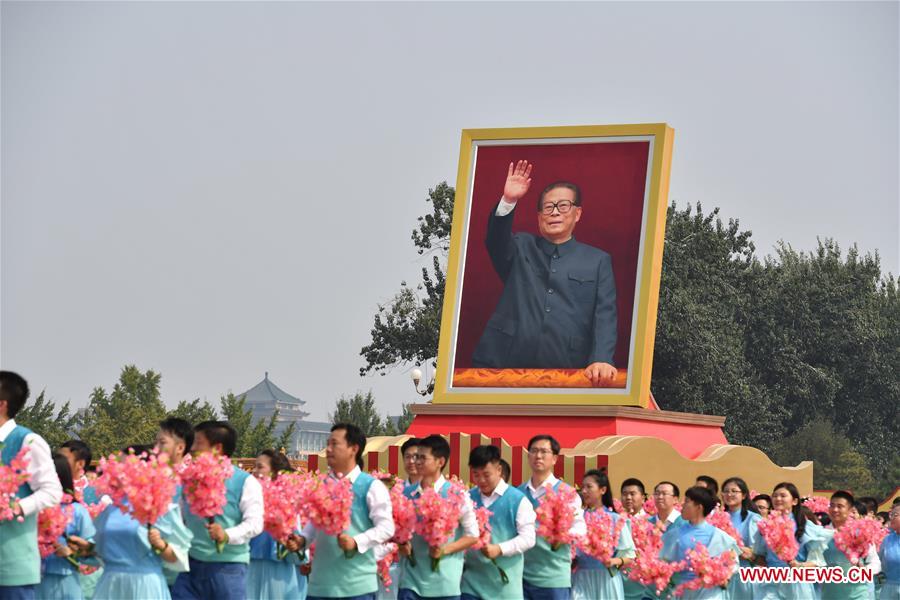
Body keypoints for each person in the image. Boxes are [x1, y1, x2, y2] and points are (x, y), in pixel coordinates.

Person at [471, 160, 618, 386]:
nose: (555, 212)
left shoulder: (597, 261)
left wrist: (602, 358)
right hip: (502, 364)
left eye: (563, 206)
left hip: (569, 369)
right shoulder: (521, 246)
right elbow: (495, 240)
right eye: (548, 207)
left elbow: (605, 315)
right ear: (539, 217)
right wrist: (509, 200)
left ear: (578, 213)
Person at [297, 423, 395, 600]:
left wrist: (356, 542)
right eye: (328, 444)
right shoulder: (321, 486)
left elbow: (386, 528)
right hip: (319, 587)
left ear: (353, 449)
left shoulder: (371, 486)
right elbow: (313, 525)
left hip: (356, 588)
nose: (328, 449)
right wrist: (302, 540)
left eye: (334, 444)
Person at [172, 421, 264, 600]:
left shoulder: (244, 482)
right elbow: (181, 518)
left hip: (227, 569)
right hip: (190, 567)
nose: (192, 449)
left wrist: (226, 535)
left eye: (198, 443)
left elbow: (255, 523)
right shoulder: (190, 479)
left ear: (217, 448)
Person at [91, 444, 192, 600]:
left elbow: (177, 556)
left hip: (145, 586)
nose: (119, 471)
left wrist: (161, 545)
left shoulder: (160, 508)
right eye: (118, 466)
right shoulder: (110, 510)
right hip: (111, 585)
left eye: (125, 466)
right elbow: (96, 550)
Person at [0, 371, 64, 600]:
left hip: (10, 567)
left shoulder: (27, 441)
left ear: (2, 405)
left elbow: (52, 491)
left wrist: (15, 508)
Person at [397, 435, 478, 600]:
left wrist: (445, 550)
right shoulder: (405, 494)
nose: (417, 462)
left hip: (445, 586)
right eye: (416, 457)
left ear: (440, 462)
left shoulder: (457, 495)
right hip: (410, 584)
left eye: (423, 458)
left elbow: (472, 535)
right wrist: (400, 545)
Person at [462, 445, 536, 600]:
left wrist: (500, 549)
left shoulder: (517, 500)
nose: (481, 480)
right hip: (470, 586)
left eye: (486, 474)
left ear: (499, 470)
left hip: (505, 589)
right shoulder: (467, 498)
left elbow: (528, 538)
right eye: (476, 475)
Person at [517, 434, 586, 600]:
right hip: (520, 576)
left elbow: (580, 527)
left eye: (544, 451)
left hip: (553, 577)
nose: (538, 456)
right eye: (534, 451)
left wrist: (560, 536)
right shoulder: (517, 493)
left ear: (554, 458)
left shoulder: (567, 493)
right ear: (528, 456)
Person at [751, 482, 830, 600]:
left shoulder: (806, 526)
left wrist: (799, 565)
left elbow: (816, 561)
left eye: (783, 496)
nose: (778, 499)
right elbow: (760, 556)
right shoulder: (765, 526)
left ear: (794, 501)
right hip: (771, 582)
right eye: (775, 496)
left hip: (797, 583)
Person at [660, 487, 739, 600]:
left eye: (687, 501)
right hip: (682, 593)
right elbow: (662, 561)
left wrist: (725, 577)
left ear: (699, 507)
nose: (682, 505)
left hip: (710, 594)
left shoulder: (719, 536)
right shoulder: (674, 534)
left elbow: (732, 563)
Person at [36, 453, 96, 600]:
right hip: (34, 579)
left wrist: (72, 552)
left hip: (65, 580)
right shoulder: (32, 508)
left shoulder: (77, 511)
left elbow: (94, 552)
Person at [248, 449, 307, 600]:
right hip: (250, 572)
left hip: (279, 575)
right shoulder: (248, 502)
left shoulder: (287, 503)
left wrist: (292, 546)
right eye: (254, 467)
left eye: (260, 467)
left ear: (275, 472)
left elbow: (299, 548)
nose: (254, 471)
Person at [571, 469, 635, 600]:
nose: (584, 491)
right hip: (581, 578)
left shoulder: (616, 519)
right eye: (583, 487)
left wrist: (614, 561)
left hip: (607, 580)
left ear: (603, 490)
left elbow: (630, 556)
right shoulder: (577, 518)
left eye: (589, 487)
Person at [822, 490, 881, 600]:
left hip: (857, 595)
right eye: (832, 506)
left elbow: (875, 563)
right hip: (829, 595)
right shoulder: (822, 534)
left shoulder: (861, 533)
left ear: (850, 510)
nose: (835, 509)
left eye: (840, 506)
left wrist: (863, 571)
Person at [720, 477, 762, 600]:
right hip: (721, 575)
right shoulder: (717, 517)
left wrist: (742, 551)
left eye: (734, 491)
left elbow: (757, 551)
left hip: (744, 574)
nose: (729, 494)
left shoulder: (753, 519)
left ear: (743, 495)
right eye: (726, 491)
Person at [60, 440, 98, 504]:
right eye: (57, 456)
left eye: (63, 458)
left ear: (80, 464)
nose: (58, 460)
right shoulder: (52, 485)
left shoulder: (93, 494)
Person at [878, 503, 900, 600]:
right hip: (889, 588)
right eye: (891, 514)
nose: (891, 518)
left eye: (895, 515)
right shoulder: (887, 539)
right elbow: (879, 562)